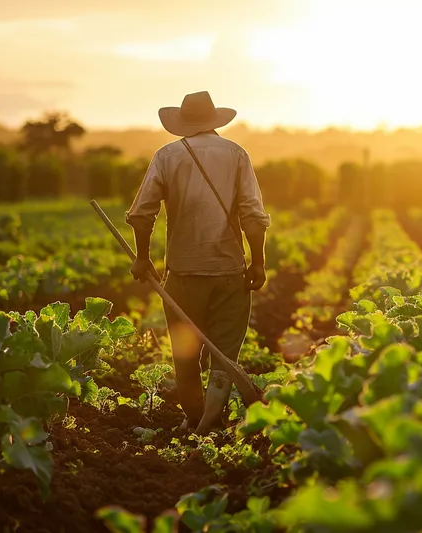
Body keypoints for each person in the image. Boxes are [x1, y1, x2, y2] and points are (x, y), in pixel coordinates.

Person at [125, 90, 270, 432]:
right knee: (224, 355)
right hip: (230, 273)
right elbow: (253, 215)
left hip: (183, 276)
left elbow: (142, 214)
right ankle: (210, 423)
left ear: (183, 123)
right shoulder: (237, 155)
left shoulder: (166, 156)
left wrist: (142, 259)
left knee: (186, 357)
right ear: (215, 121)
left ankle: (196, 421)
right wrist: (259, 262)